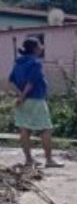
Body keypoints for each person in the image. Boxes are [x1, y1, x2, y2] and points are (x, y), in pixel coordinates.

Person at [8, 37, 60, 168]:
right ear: (35, 48)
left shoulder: (18, 63)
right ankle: (49, 160)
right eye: (40, 45)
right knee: (45, 129)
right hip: (35, 99)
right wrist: (23, 96)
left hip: (23, 101)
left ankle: (29, 160)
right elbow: (31, 82)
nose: (42, 47)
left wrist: (20, 96)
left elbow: (11, 81)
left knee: (24, 129)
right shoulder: (36, 63)